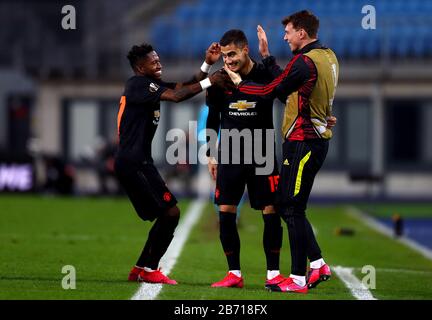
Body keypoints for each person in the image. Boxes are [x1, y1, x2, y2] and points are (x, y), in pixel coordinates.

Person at [224, 10, 339, 293]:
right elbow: (296, 87)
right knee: (291, 206)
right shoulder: (327, 56)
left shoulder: (304, 62)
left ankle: (300, 278)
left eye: (288, 32)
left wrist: (241, 86)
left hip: (303, 142)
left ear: (302, 32)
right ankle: (318, 264)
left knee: (291, 208)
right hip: (312, 138)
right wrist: (267, 57)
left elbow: (272, 89)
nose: (284, 37)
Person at [115, 43, 231, 285]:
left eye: (159, 59)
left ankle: (141, 267)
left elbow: (184, 87)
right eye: (153, 61)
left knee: (166, 214)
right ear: (139, 67)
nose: (159, 63)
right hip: (134, 162)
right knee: (171, 212)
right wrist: (211, 81)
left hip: (137, 161)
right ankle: (149, 269)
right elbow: (178, 97)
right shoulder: (137, 84)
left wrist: (207, 64)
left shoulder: (149, 86)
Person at [205, 30, 284, 289]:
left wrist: (268, 55)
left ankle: (273, 275)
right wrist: (210, 153)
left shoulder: (264, 73)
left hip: (262, 152)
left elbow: (285, 89)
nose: (227, 60)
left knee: (270, 211)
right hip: (230, 154)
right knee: (226, 211)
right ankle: (234, 274)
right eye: (224, 56)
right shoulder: (219, 80)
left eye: (232, 54)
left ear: (245, 49)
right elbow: (212, 118)